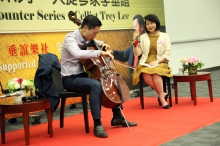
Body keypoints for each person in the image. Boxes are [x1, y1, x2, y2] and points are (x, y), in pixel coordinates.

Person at [61, 15, 137, 138]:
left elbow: (94, 42)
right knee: (96, 85)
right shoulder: (70, 38)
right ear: (85, 28)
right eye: (94, 33)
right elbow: (78, 53)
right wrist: (100, 52)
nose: (95, 36)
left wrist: (103, 44)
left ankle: (117, 116)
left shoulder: (87, 37)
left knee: (109, 82)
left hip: (82, 75)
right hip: (70, 78)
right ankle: (97, 124)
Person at [132, 14, 172, 109]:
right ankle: (162, 94)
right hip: (145, 62)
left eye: (151, 23)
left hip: (160, 62)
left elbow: (167, 53)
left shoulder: (164, 36)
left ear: (156, 23)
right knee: (144, 72)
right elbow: (138, 53)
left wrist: (157, 62)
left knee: (155, 72)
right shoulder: (142, 37)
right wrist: (134, 43)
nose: (149, 26)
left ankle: (161, 98)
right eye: (147, 24)